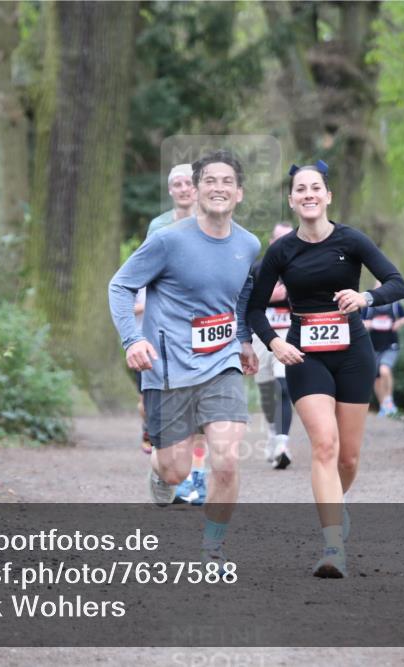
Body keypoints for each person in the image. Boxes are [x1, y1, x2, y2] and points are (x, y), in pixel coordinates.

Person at [247, 160, 404, 578]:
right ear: (292, 200)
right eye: (300, 190)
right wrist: (275, 342)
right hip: (305, 355)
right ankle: (333, 545)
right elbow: (254, 308)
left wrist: (365, 299)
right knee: (324, 445)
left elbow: (397, 282)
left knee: (348, 458)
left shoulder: (350, 240)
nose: (308, 195)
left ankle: (337, 502)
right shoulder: (282, 251)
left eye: (315, 188)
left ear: (328, 195)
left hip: (354, 352)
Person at [109, 150, 260, 566]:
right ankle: (159, 470)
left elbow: (245, 291)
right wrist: (131, 340)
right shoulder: (168, 240)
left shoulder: (248, 244)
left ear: (239, 193)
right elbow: (120, 286)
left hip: (222, 361)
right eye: (209, 180)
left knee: (226, 459)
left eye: (227, 181)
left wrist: (244, 339)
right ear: (195, 190)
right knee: (175, 470)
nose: (218, 188)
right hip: (169, 364)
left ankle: (213, 547)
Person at [132, 164, 199, 459]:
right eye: (178, 184)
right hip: (160, 322)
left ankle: (193, 473)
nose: (184, 189)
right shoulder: (158, 227)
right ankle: (151, 426)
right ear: (171, 191)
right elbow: (144, 271)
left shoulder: (212, 223)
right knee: (150, 400)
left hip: (198, 323)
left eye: (189, 183)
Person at [252, 223, 295, 469]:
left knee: (283, 386)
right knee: (267, 392)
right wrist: (271, 297)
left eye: (287, 238)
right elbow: (245, 302)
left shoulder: (300, 267)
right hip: (261, 335)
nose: (283, 243)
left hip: (289, 334)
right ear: (271, 242)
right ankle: (272, 433)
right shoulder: (258, 269)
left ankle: (281, 444)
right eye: (278, 238)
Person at [363, 280, 404, 416]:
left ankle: (389, 400)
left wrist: (398, 324)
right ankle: (384, 405)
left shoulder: (394, 305)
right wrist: (370, 323)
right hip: (373, 346)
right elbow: (359, 322)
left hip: (390, 345)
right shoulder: (368, 307)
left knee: (385, 370)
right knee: (376, 377)